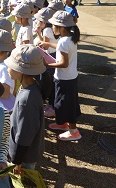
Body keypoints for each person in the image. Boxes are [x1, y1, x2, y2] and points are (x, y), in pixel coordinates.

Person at [38, 11, 82, 141]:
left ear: (61, 27)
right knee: (64, 103)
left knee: (66, 105)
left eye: (53, 25)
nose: (52, 28)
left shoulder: (63, 42)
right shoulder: (71, 37)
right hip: (71, 77)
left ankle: (74, 131)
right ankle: (62, 124)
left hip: (64, 79)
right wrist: (49, 45)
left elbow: (63, 63)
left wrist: (47, 64)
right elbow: (62, 48)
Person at [4, 44, 46, 173]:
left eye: (11, 65)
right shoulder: (30, 87)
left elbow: (24, 135)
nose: (7, 68)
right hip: (26, 153)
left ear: (20, 71)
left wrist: (17, 161)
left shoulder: (26, 99)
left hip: (24, 157)